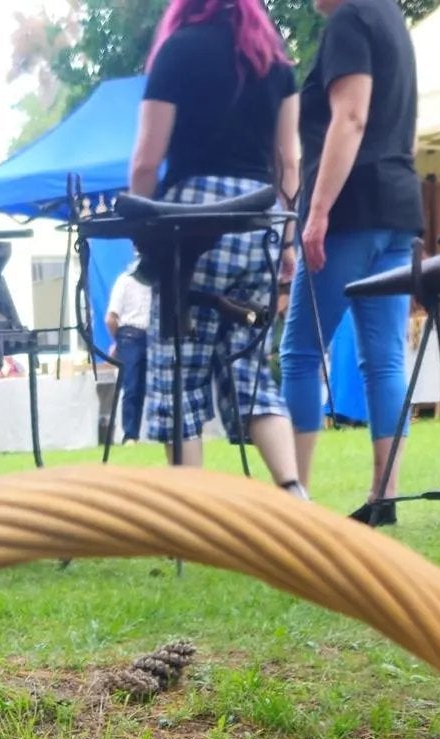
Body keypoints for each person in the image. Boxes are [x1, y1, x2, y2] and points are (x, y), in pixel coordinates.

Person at [129, 0, 305, 489]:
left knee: (179, 370)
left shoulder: (178, 51)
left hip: (192, 221)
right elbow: (290, 161)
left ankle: (194, 510)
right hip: (259, 218)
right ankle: (293, 490)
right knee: (250, 368)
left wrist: (143, 231)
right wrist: (287, 242)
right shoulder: (275, 62)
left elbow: (146, 161)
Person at [280, 0, 424, 519]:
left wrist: (317, 210)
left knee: (301, 352)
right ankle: (385, 495)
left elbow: (352, 115)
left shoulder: (348, 20)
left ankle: (294, 497)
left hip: (351, 208)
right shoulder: (390, 20)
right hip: (398, 205)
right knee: (384, 358)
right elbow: (403, 128)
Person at [105, 259, 153, 442]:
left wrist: (118, 342)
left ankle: (133, 435)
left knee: (135, 388)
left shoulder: (128, 281)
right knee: (133, 387)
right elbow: (111, 318)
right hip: (132, 335)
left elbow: (111, 319)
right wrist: (118, 341)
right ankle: (131, 435)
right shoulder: (125, 281)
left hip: (138, 336)